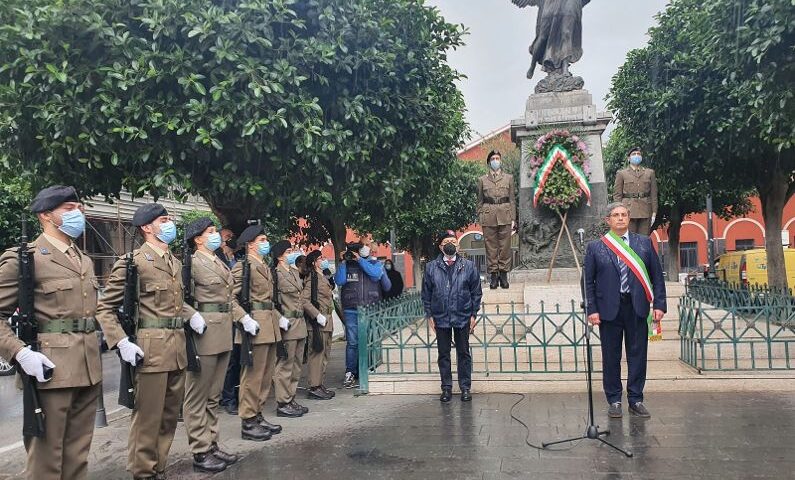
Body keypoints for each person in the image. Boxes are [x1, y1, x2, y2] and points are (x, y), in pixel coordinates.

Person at [97, 203, 207, 480]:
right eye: (164, 220)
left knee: (169, 417)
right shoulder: (133, 262)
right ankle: (143, 472)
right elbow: (104, 308)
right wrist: (121, 342)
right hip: (150, 349)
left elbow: (175, 304)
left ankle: (159, 467)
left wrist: (191, 314)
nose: (170, 224)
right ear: (147, 227)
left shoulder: (174, 261)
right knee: (148, 418)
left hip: (177, 348)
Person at [0, 185, 101, 480]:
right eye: (69, 209)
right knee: (46, 460)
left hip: (87, 366)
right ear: (45, 215)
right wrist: (19, 352)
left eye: (79, 208)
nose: (78, 213)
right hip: (50, 372)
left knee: (78, 454)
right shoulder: (26, 258)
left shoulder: (83, 259)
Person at [584, 203, 666, 419]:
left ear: (629, 218)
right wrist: (592, 309)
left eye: (624, 215)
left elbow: (657, 277)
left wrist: (659, 304)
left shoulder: (644, 244)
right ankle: (614, 400)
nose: (620, 218)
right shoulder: (596, 247)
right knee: (611, 357)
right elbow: (587, 283)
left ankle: (636, 399)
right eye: (615, 215)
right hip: (608, 310)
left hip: (637, 307)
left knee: (637, 355)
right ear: (608, 220)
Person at [183, 217, 251, 472]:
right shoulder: (192, 263)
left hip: (223, 331)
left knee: (213, 396)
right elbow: (179, 297)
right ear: (197, 239)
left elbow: (228, 298)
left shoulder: (218, 262)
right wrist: (192, 317)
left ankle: (212, 443)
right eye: (210, 232)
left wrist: (243, 318)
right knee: (197, 397)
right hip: (204, 333)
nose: (216, 236)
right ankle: (200, 451)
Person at [230, 225, 284, 439]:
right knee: (252, 377)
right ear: (250, 244)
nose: (265, 243)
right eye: (261, 240)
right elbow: (230, 298)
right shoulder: (243, 267)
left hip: (269, 326)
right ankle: (248, 420)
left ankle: (258, 413)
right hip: (254, 327)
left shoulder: (263, 265)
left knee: (265, 375)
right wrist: (243, 318)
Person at [421, 231, 482, 403]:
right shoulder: (431, 267)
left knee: (463, 353)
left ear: (458, 245)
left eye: (453, 241)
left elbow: (476, 292)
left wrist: (473, 314)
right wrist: (429, 314)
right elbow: (426, 293)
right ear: (441, 246)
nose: (450, 244)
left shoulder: (468, 266)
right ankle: (446, 388)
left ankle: (465, 388)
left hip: (462, 315)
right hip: (441, 317)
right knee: (444, 354)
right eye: (446, 241)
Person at [334, 239, 391, 388]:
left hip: (371, 309)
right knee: (352, 342)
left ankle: (370, 368)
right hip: (352, 309)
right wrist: (342, 262)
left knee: (370, 340)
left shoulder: (375, 264)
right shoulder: (346, 265)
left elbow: (375, 275)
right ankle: (351, 372)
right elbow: (339, 281)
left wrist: (360, 260)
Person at [271, 241, 311, 417]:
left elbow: (300, 297)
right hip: (287, 322)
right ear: (280, 256)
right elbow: (271, 300)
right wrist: (279, 320)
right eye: (288, 251)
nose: (292, 253)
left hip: (299, 323)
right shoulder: (276, 274)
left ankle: (290, 397)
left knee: (296, 365)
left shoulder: (294, 272)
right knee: (285, 364)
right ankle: (282, 402)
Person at [477, 150, 516, 289]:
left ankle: (504, 275)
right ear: (489, 162)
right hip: (488, 215)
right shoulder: (482, 180)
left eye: (497, 158)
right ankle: (493, 275)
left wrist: (513, 218)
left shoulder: (509, 178)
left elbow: (512, 199)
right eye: (493, 158)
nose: (495, 160)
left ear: (500, 160)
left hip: (505, 214)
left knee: (505, 246)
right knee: (491, 247)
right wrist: (481, 215)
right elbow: (479, 201)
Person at [302, 250, 335, 400]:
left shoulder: (323, 277)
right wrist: (317, 315)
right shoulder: (312, 278)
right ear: (314, 262)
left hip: (327, 319)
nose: (324, 260)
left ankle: (319, 383)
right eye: (320, 258)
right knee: (316, 355)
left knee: (325, 354)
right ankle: (314, 386)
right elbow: (304, 300)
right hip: (318, 321)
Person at [613, 147, 658, 235]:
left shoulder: (649, 173)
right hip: (628, 210)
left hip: (645, 210)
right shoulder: (622, 173)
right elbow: (617, 195)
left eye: (638, 154)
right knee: (629, 239)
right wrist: (619, 212)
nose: (636, 156)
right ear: (628, 158)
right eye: (634, 154)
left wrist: (654, 212)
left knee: (644, 240)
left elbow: (653, 194)